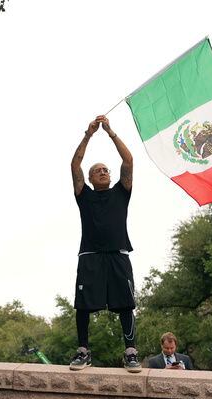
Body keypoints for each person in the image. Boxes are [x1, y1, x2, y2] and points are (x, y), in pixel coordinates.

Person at [68, 115, 141, 373]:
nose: (103, 171)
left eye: (105, 170)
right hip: (90, 256)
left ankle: (131, 352)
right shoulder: (84, 195)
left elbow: (128, 160)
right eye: (98, 170)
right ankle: (83, 351)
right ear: (90, 178)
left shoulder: (121, 192)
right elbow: (75, 164)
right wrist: (88, 134)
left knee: (126, 304)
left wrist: (110, 132)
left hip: (118, 256)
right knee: (83, 304)